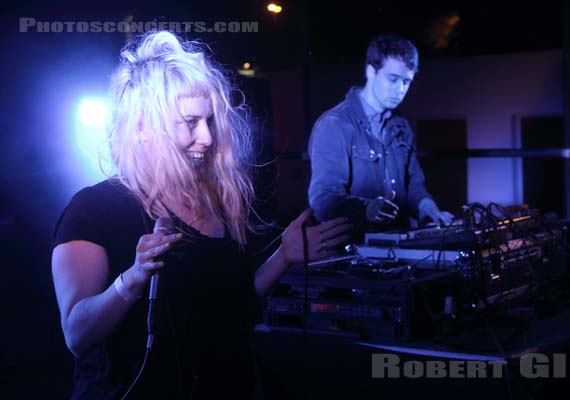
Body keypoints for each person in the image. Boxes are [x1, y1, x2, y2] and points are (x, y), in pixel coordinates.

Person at [51, 31, 351, 399]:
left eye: (209, 121)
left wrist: (283, 257)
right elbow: (77, 335)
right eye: (190, 122)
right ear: (144, 126)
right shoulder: (92, 209)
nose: (207, 137)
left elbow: (231, 309)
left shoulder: (214, 203)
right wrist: (132, 279)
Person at [308, 34, 453, 231]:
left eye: (406, 81)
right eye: (393, 79)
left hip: (399, 244)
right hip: (356, 249)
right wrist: (365, 209)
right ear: (370, 71)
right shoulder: (335, 124)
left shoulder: (401, 127)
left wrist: (428, 208)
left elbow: (413, 186)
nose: (400, 89)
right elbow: (324, 198)